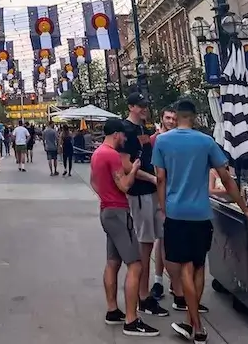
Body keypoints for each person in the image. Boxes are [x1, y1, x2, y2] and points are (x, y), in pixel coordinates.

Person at [153, 99, 248, 342]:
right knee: (199, 266)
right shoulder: (206, 142)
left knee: (184, 268)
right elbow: (226, 178)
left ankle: (198, 327)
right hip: (201, 212)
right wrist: (245, 208)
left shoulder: (162, 141)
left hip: (176, 212)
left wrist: (163, 207)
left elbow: (160, 179)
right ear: (193, 117)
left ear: (177, 116)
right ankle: (191, 322)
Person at [90, 118, 159, 338]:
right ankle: (131, 319)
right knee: (136, 265)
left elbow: (94, 181)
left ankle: (113, 310)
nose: (125, 139)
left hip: (106, 210)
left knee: (113, 261)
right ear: (117, 134)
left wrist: (105, 196)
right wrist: (135, 168)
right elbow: (125, 185)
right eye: (123, 135)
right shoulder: (111, 155)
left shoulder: (97, 153)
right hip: (119, 212)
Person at [121, 92, 169, 319]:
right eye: (139, 106)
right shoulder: (126, 131)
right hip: (140, 194)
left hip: (152, 192)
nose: (143, 109)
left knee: (155, 241)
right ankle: (143, 296)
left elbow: (147, 152)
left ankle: (149, 292)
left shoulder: (144, 129)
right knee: (145, 245)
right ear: (131, 107)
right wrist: (149, 178)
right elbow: (126, 164)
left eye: (145, 105)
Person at [151, 106, 177, 301]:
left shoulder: (179, 139)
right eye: (167, 117)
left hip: (177, 194)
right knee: (162, 239)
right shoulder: (156, 140)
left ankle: (174, 283)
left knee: (170, 240)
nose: (171, 121)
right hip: (163, 195)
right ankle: (160, 281)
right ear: (162, 119)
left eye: (173, 118)